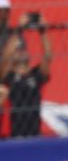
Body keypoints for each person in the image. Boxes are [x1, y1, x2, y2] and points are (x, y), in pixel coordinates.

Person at [4, 12, 51, 140]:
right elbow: (5, 58)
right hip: (16, 135)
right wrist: (19, 29)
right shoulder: (10, 76)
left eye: (23, 48)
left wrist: (43, 32)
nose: (22, 51)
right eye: (18, 49)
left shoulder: (35, 75)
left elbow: (47, 57)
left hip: (35, 134)